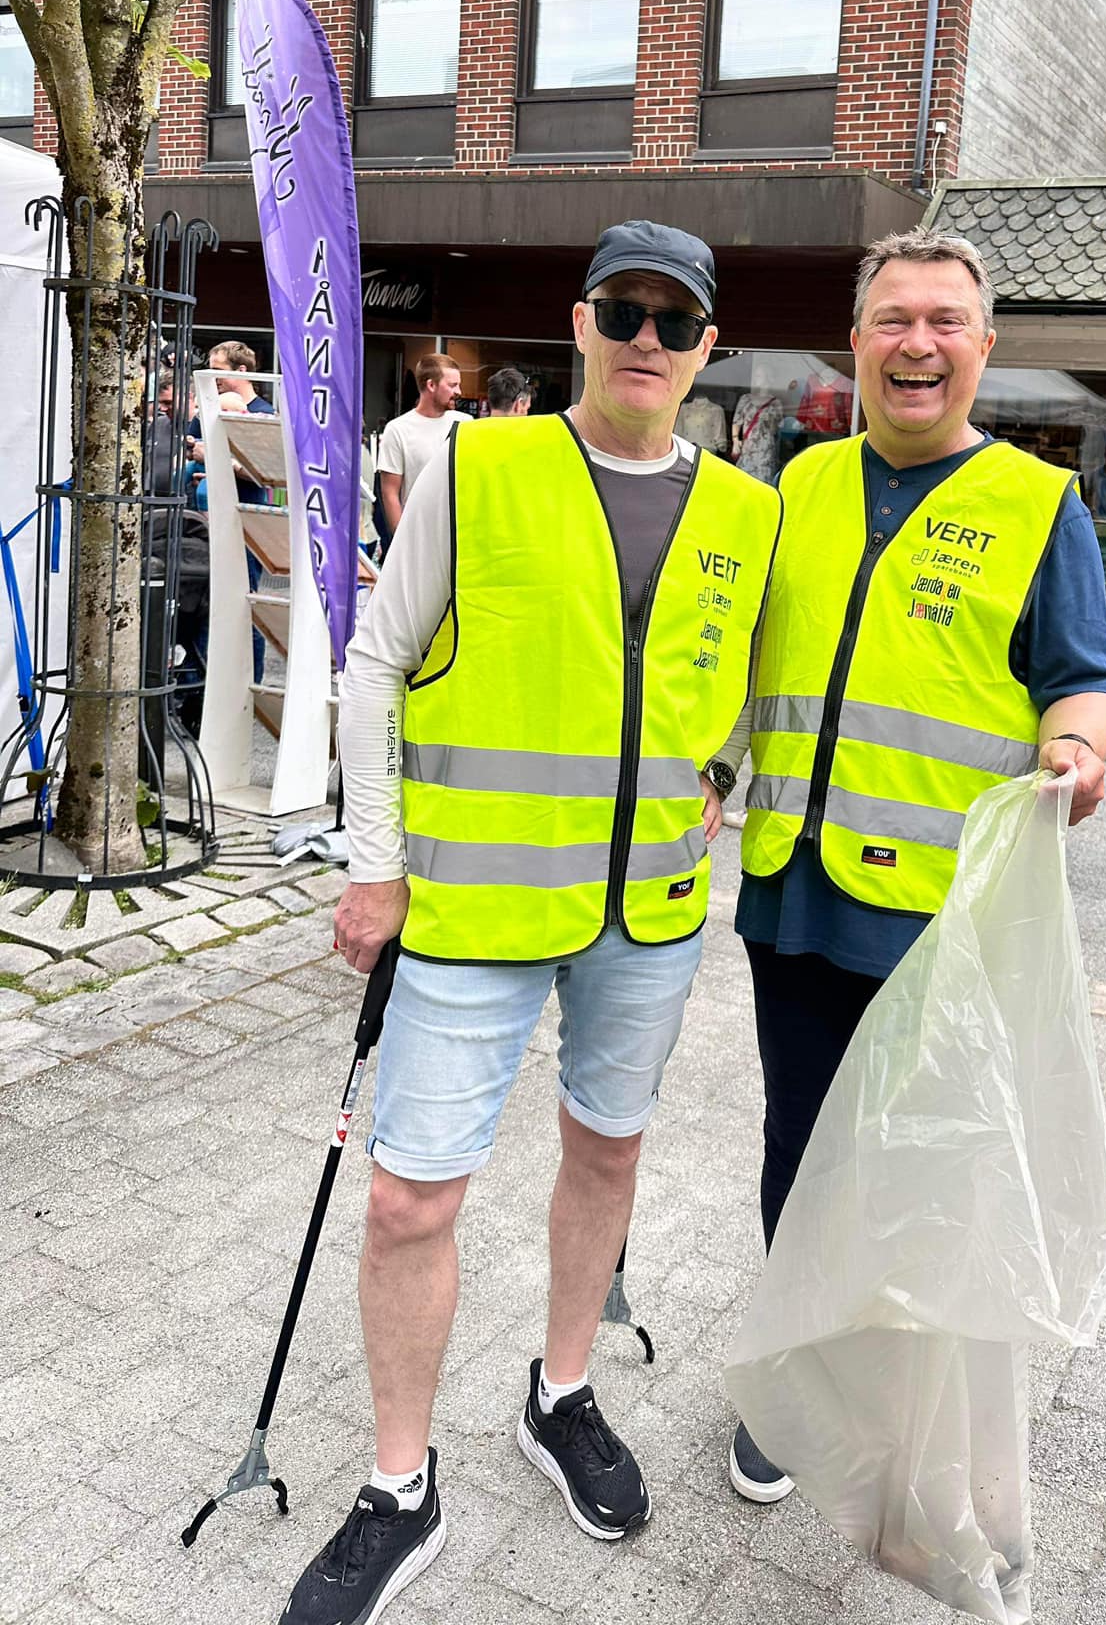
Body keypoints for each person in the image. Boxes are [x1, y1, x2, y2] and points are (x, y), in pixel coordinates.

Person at [280, 221, 780, 1625]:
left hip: (650, 915)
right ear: (578, 322)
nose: (647, 339)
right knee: (407, 1196)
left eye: (676, 322)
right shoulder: (472, 465)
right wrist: (372, 863)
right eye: (624, 310)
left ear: (705, 350)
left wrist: (723, 782)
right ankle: (398, 1486)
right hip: (471, 902)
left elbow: (751, 685)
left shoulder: (749, 510)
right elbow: (376, 668)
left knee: (606, 1153)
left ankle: (560, 1393)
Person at [720, 227, 1106, 1505]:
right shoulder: (794, 486)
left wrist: (1076, 751)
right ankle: (794, 1380)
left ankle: (899, 1391)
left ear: (982, 348)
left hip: (936, 917)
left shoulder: (1036, 504)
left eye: (946, 320)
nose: (918, 342)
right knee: (799, 1144)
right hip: (792, 889)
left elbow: (1085, 679)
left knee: (914, 1161)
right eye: (894, 317)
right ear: (858, 341)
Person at [187, 339, 276, 683]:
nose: (212, 378)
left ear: (242, 371)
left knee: (243, 604)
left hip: (245, 522)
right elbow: (188, 446)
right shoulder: (209, 408)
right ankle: (203, 683)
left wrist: (210, 455)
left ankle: (248, 684)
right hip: (205, 521)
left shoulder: (263, 413)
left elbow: (261, 470)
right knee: (203, 602)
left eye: (218, 371)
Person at [375, 352, 462, 536]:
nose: (458, 392)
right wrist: (401, 541)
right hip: (419, 536)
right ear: (431, 385)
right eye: (453, 385)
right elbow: (390, 492)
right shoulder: (398, 430)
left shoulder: (465, 424)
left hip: (459, 537)